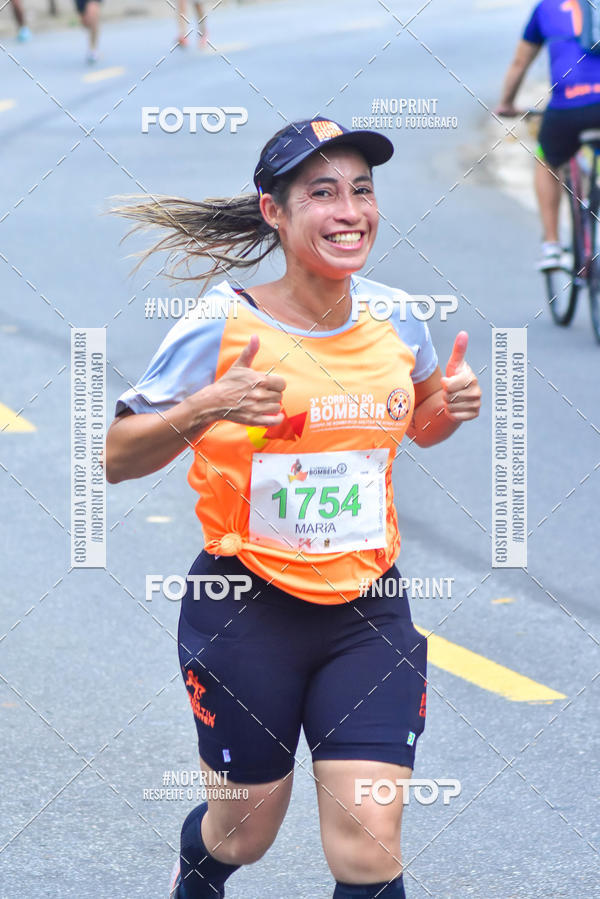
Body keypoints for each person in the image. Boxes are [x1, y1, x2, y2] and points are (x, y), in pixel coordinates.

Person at [105, 118, 482, 899]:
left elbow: (420, 422)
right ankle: (199, 870)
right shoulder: (222, 325)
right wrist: (208, 404)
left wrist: (449, 406)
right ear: (274, 211)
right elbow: (115, 457)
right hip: (245, 607)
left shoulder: (396, 316)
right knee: (244, 831)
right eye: (323, 193)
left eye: (362, 191)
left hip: (369, 608)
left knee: (369, 842)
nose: (350, 211)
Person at [496, 0, 600, 269]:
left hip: (567, 107)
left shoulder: (546, 7)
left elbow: (519, 63)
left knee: (545, 159)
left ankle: (552, 245)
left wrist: (506, 104)